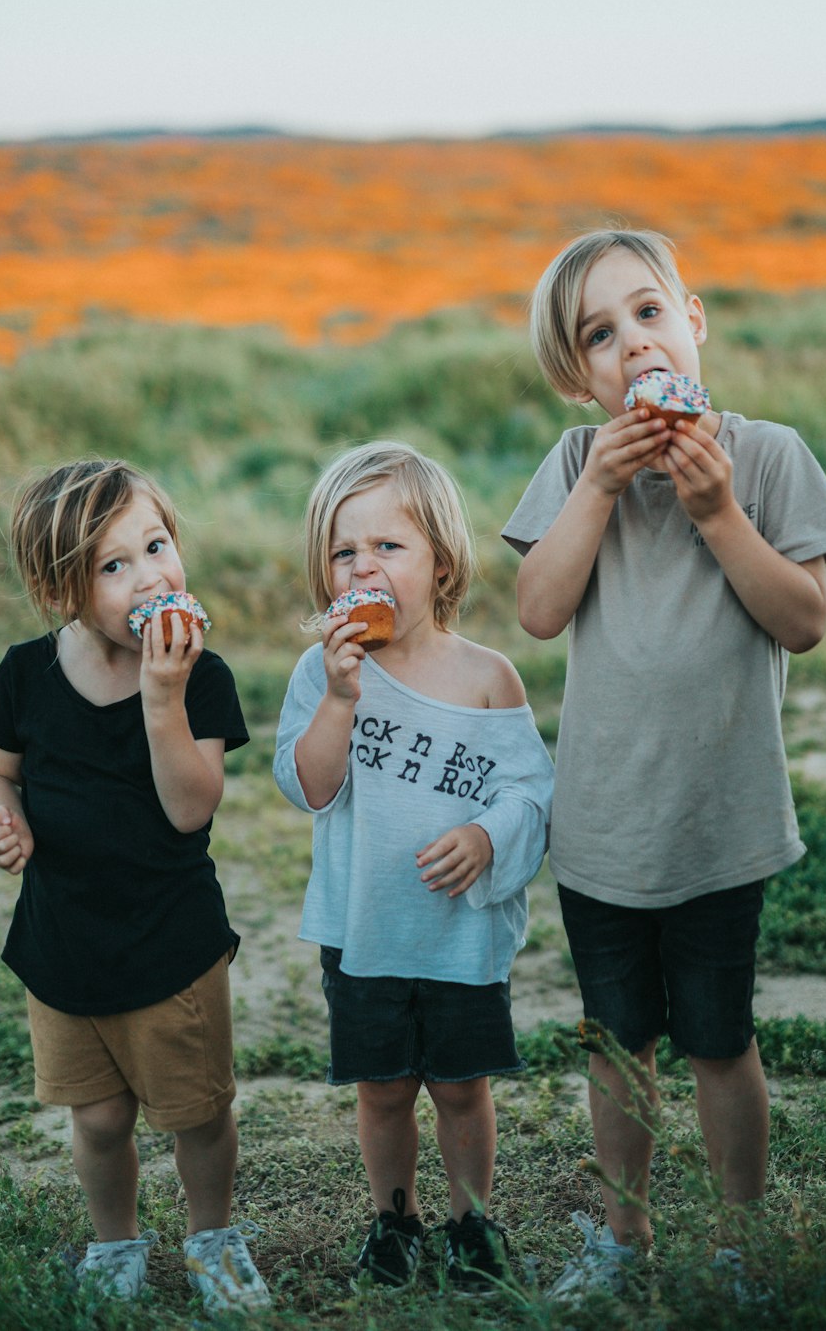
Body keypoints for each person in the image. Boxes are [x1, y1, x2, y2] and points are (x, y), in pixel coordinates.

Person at [502, 229, 826, 1300]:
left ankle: (743, 1240)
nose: (632, 345)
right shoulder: (575, 466)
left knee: (717, 1040)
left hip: (720, 818)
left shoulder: (768, 455)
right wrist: (601, 491)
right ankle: (622, 1240)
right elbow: (538, 610)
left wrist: (715, 511)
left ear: (693, 321)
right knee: (617, 1047)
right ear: (581, 379)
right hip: (603, 827)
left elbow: (801, 621)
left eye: (647, 313)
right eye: (598, 336)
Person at [0, 458, 271, 1316]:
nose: (151, 576)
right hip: (62, 943)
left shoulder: (198, 677)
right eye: (114, 565)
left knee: (196, 1113)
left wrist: (163, 695)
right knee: (98, 1119)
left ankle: (212, 1235)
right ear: (60, 587)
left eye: (157, 545)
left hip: (170, 944)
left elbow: (189, 809)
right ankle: (115, 1242)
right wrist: (3, 817)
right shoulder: (27, 674)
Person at [273, 440, 553, 1293]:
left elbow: (531, 789)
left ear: (441, 561)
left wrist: (489, 836)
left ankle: (472, 1226)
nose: (364, 567)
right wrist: (340, 696)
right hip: (367, 929)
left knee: (463, 1089)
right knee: (385, 1091)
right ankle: (394, 1221)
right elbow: (309, 787)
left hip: (456, 934)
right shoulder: (322, 673)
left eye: (388, 547)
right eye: (344, 551)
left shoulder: (487, 678)